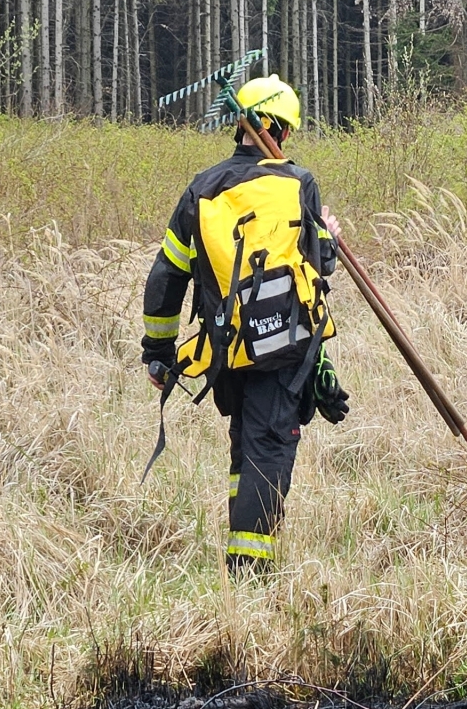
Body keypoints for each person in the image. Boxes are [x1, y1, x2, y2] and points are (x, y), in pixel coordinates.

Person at [139, 75, 350, 571]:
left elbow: (167, 275)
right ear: (280, 129)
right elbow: (318, 268)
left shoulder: (202, 188)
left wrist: (159, 353)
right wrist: (329, 239)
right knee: (268, 449)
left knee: (246, 444)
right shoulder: (298, 183)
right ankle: (250, 575)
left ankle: (242, 558)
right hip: (285, 348)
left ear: (240, 126)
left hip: (226, 348)